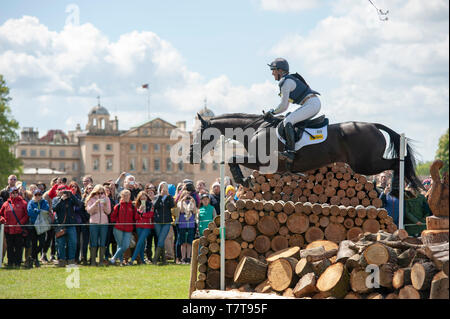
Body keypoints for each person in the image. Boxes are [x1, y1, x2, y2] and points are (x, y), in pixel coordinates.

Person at [266, 57, 321, 163]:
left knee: (288, 121)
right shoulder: (288, 80)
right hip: (311, 103)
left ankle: (290, 152)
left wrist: (272, 112)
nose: (272, 73)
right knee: (289, 117)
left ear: (280, 71)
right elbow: (285, 107)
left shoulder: (286, 82)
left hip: (311, 104)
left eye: (273, 70)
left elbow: (283, 106)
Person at [52, 185, 82, 267]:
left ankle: (71, 261)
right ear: (57, 191)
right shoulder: (56, 199)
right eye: (60, 190)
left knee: (73, 243)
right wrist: (61, 200)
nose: (62, 191)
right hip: (60, 225)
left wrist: (71, 194)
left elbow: (79, 204)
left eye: (64, 189)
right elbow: (54, 208)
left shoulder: (71, 199)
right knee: (60, 244)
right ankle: (62, 261)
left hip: (71, 224)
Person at [0, 187, 28, 268]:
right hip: (8, 229)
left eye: (16, 192)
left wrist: (20, 223)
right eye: (13, 192)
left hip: (18, 229)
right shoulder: (6, 204)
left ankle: (18, 262)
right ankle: (10, 262)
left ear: (18, 193)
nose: (14, 194)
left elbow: (26, 215)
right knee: (9, 246)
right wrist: (2, 219)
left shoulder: (23, 203)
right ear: (10, 193)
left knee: (19, 246)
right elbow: (0, 214)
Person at [85, 184, 111, 266]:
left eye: (102, 192)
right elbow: (89, 211)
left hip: (104, 223)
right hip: (94, 223)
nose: (100, 194)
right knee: (93, 242)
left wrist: (106, 204)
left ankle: (100, 262)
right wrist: (95, 203)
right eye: (98, 193)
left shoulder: (106, 199)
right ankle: (93, 261)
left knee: (103, 242)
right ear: (95, 192)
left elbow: (108, 212)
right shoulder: (91, 199)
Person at [109, 189, 136, 266]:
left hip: (128, 229)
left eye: (128, 195)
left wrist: (140, 212)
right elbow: (112, 217)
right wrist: (116, 224)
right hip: (118, 229)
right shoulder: (118, 206)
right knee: (120, 245)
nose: (126, 197)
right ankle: (121, 262)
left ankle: (113, 259)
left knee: (125, 246)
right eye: (125, 195)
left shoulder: (133, 207)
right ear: (122, 196)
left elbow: (136, 217)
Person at [26, 189, 50, 268]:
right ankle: (35, 260)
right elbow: (30, 212)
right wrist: (38, 212)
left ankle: (32, 257)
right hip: (33, 226)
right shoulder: (31, 202)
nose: (38, 196)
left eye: (39, 194)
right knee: (34, 243)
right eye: (36, 195)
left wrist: (38, 211)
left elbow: (45, 210)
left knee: (42, 243)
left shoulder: (44, 202)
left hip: (42, 225)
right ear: (34, 195)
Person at [129, 191, 154, 265]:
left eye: (144, 196)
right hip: (139, 226)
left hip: (147, 226)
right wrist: (140, 210)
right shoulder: (136, 205)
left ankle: (132, 259)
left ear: (147, 197)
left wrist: (142, 215)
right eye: (141, 197)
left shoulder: (150, 204)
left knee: (139, 242)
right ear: (139, 198)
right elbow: (136, 217)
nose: (143, 198)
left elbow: (150, 215)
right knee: (142, 243)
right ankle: (142, 260)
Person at [153, 181, 174, 265]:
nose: (164, 189)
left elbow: (172, 205)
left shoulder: (169, 197)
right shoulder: (157, 197)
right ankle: (164, 260)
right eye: (162, 187)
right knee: (160, 240)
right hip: (158, 221)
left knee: (161, 239)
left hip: (167, 222)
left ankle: (155, 259)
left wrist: (168, 196)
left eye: (165, 187)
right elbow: (155, 206)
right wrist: (160, 196)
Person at [177, 191, 197, 264]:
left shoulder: (192, 203)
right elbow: (181, 210)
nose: (187, 197)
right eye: (185, 195)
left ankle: (188, 257)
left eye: (188, 195)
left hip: (190, 224)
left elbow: (194, 212)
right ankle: (183, 258)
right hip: (182, 224)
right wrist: (182, 201)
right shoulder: (179, 203)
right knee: (183, 242)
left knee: (189, 242)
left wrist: (193, 201)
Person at [103, 183, 117, 261]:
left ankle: (114, 255)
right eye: (105, 190)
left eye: (108, 190)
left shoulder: (111, 200)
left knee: (113, 240)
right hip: (105, 221)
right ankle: (106, 255)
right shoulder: (102, 199)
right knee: (106, 240)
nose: (107, 191)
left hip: (112, 222)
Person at [144, 184, 157, 263]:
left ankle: (156, 257)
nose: (150, 194)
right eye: (149, 192)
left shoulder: (157, 201)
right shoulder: (145, 202)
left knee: (156, 241)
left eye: (152, 192)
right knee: (148, 242)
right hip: (148, 224)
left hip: (156, 224)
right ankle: (149, 257)